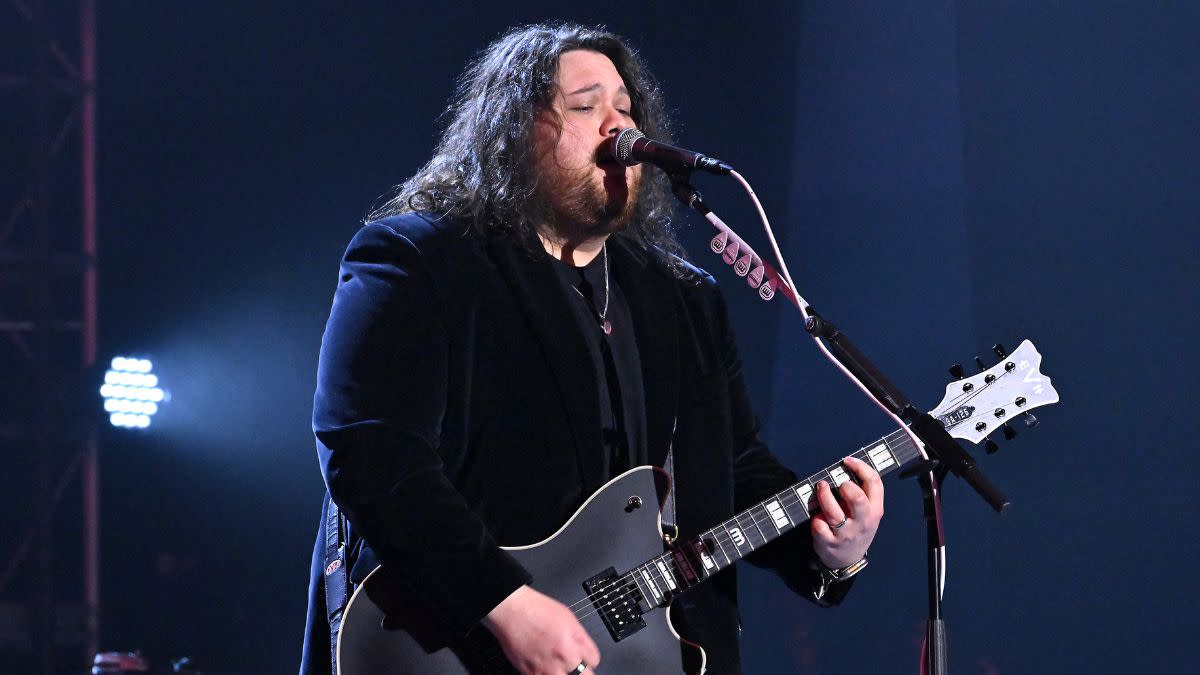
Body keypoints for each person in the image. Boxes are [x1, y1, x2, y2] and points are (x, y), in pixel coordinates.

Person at [300, 23, 884, 675]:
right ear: (513, 134)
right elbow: (371, 452)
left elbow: (732, 469)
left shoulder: (682, 299)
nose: (618, 126)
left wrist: (830, 544)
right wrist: (505, 603)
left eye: (627, 108)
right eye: (585, 105)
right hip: (458, 646)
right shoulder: (420, 260)